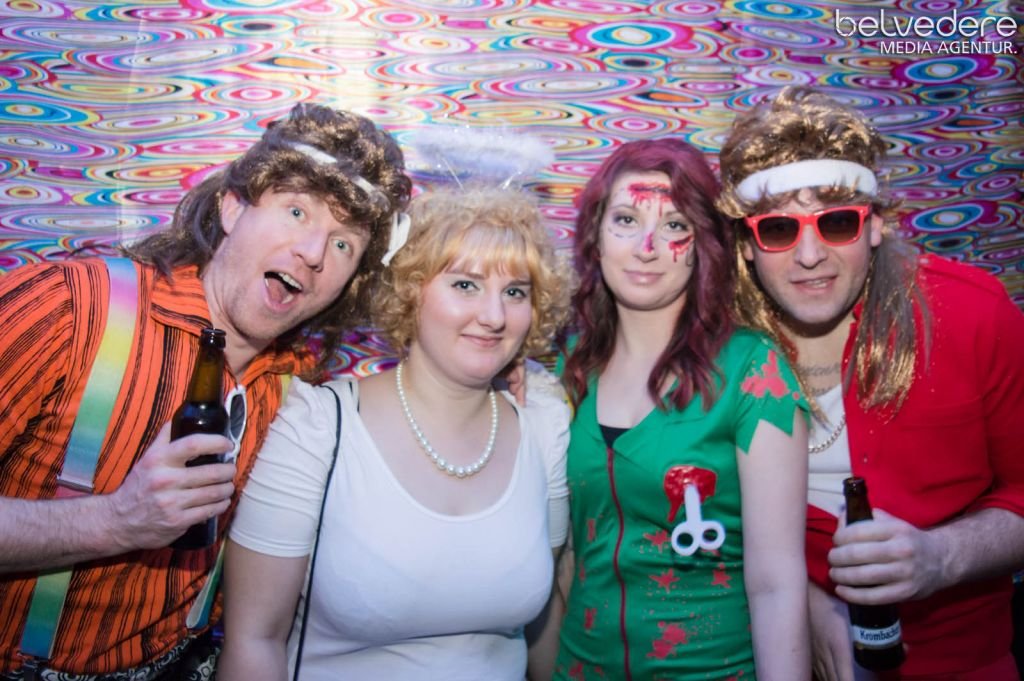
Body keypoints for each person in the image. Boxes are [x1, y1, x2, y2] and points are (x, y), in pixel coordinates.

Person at [0, 102, 411, 680]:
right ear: (233, 205)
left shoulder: (297, 389)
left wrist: (499, 379)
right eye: (297, 211)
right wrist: (114, 520)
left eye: (344, 244)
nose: (315, 253)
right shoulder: (70, 309)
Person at [717, 85, 1024, 681]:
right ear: (748, 245)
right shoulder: (718, 348)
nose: (810, 255)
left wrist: (942, 556)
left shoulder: (973, 316)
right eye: (779, 229)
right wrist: (810, 603)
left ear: (875, 225)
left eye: (837, 223)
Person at [218, 185, 574, 681]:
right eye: (465, 285)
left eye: (515, 292)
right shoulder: (318, 427)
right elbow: (253, 641)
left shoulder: (541, 421)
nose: (494, 316)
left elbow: (546, 615)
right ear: (411, 290)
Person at [552, 138, 811, 680]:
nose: (646, 247)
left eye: (674, 225)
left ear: (703, 247)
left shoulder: (753, 370)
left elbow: (777, 584)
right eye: (626, 220)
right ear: (595, 237)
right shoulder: (569, 369)